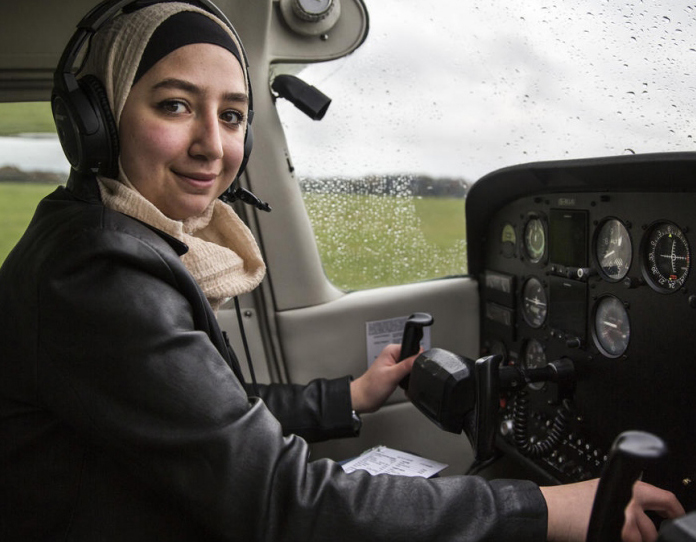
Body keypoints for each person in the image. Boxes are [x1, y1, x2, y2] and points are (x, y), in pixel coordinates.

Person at [0, 2, 684, 541]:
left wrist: (353, 394)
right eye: (176, 105)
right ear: (98, 120)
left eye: (233, 115)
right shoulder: (98, 269)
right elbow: (282, 504)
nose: (214, 144)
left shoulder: (104, 238)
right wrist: (547, 510)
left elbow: (214, 416)